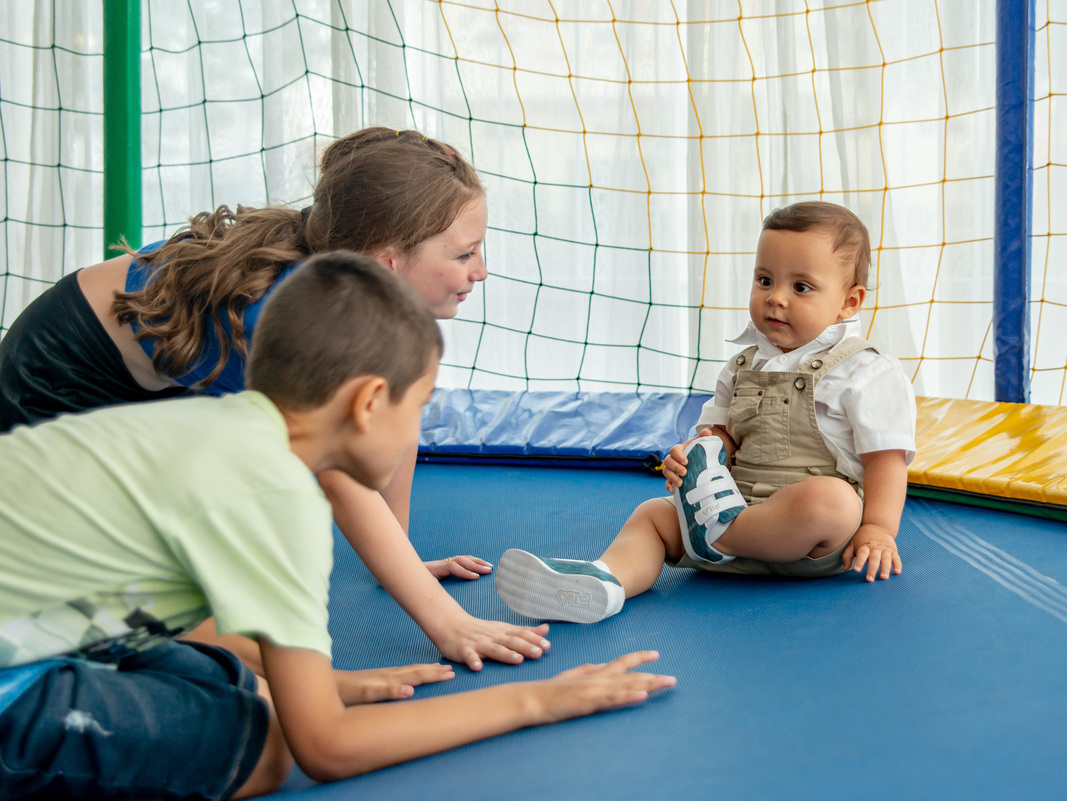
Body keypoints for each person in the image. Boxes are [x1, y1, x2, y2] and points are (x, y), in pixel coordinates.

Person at [0, 252, 675, 800]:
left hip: (42, 622)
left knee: (246, 688)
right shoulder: (276, 497)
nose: (419, 429)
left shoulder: (211, 428)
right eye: (420, 408)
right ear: (370, 403)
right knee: (263, 748)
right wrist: (539, 700)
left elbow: (132, 600)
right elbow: (324, 748)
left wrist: (323, 683)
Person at [0, 127, 552, 671]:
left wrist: (401, 558)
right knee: (192, 624)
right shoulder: (296, 312)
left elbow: (397, 411)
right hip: (49, 389)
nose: (480, 272)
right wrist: (447, 622)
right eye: (465, 255)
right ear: (387, 262)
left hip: (136, 386)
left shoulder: (346, 275)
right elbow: (345, 480)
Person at [495, 201, 917, 623]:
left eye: (801, 287)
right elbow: (722, 438)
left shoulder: (866, 370)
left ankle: (724, 535)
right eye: (765, 280)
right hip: (728, 511)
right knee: (653, 517)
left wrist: (878, 528)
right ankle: (606, 583)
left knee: (833, 501)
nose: (776, 298)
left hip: (808, 543)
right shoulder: (742, 365)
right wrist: (694, 456)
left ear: (849, 302)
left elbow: (886, 459)